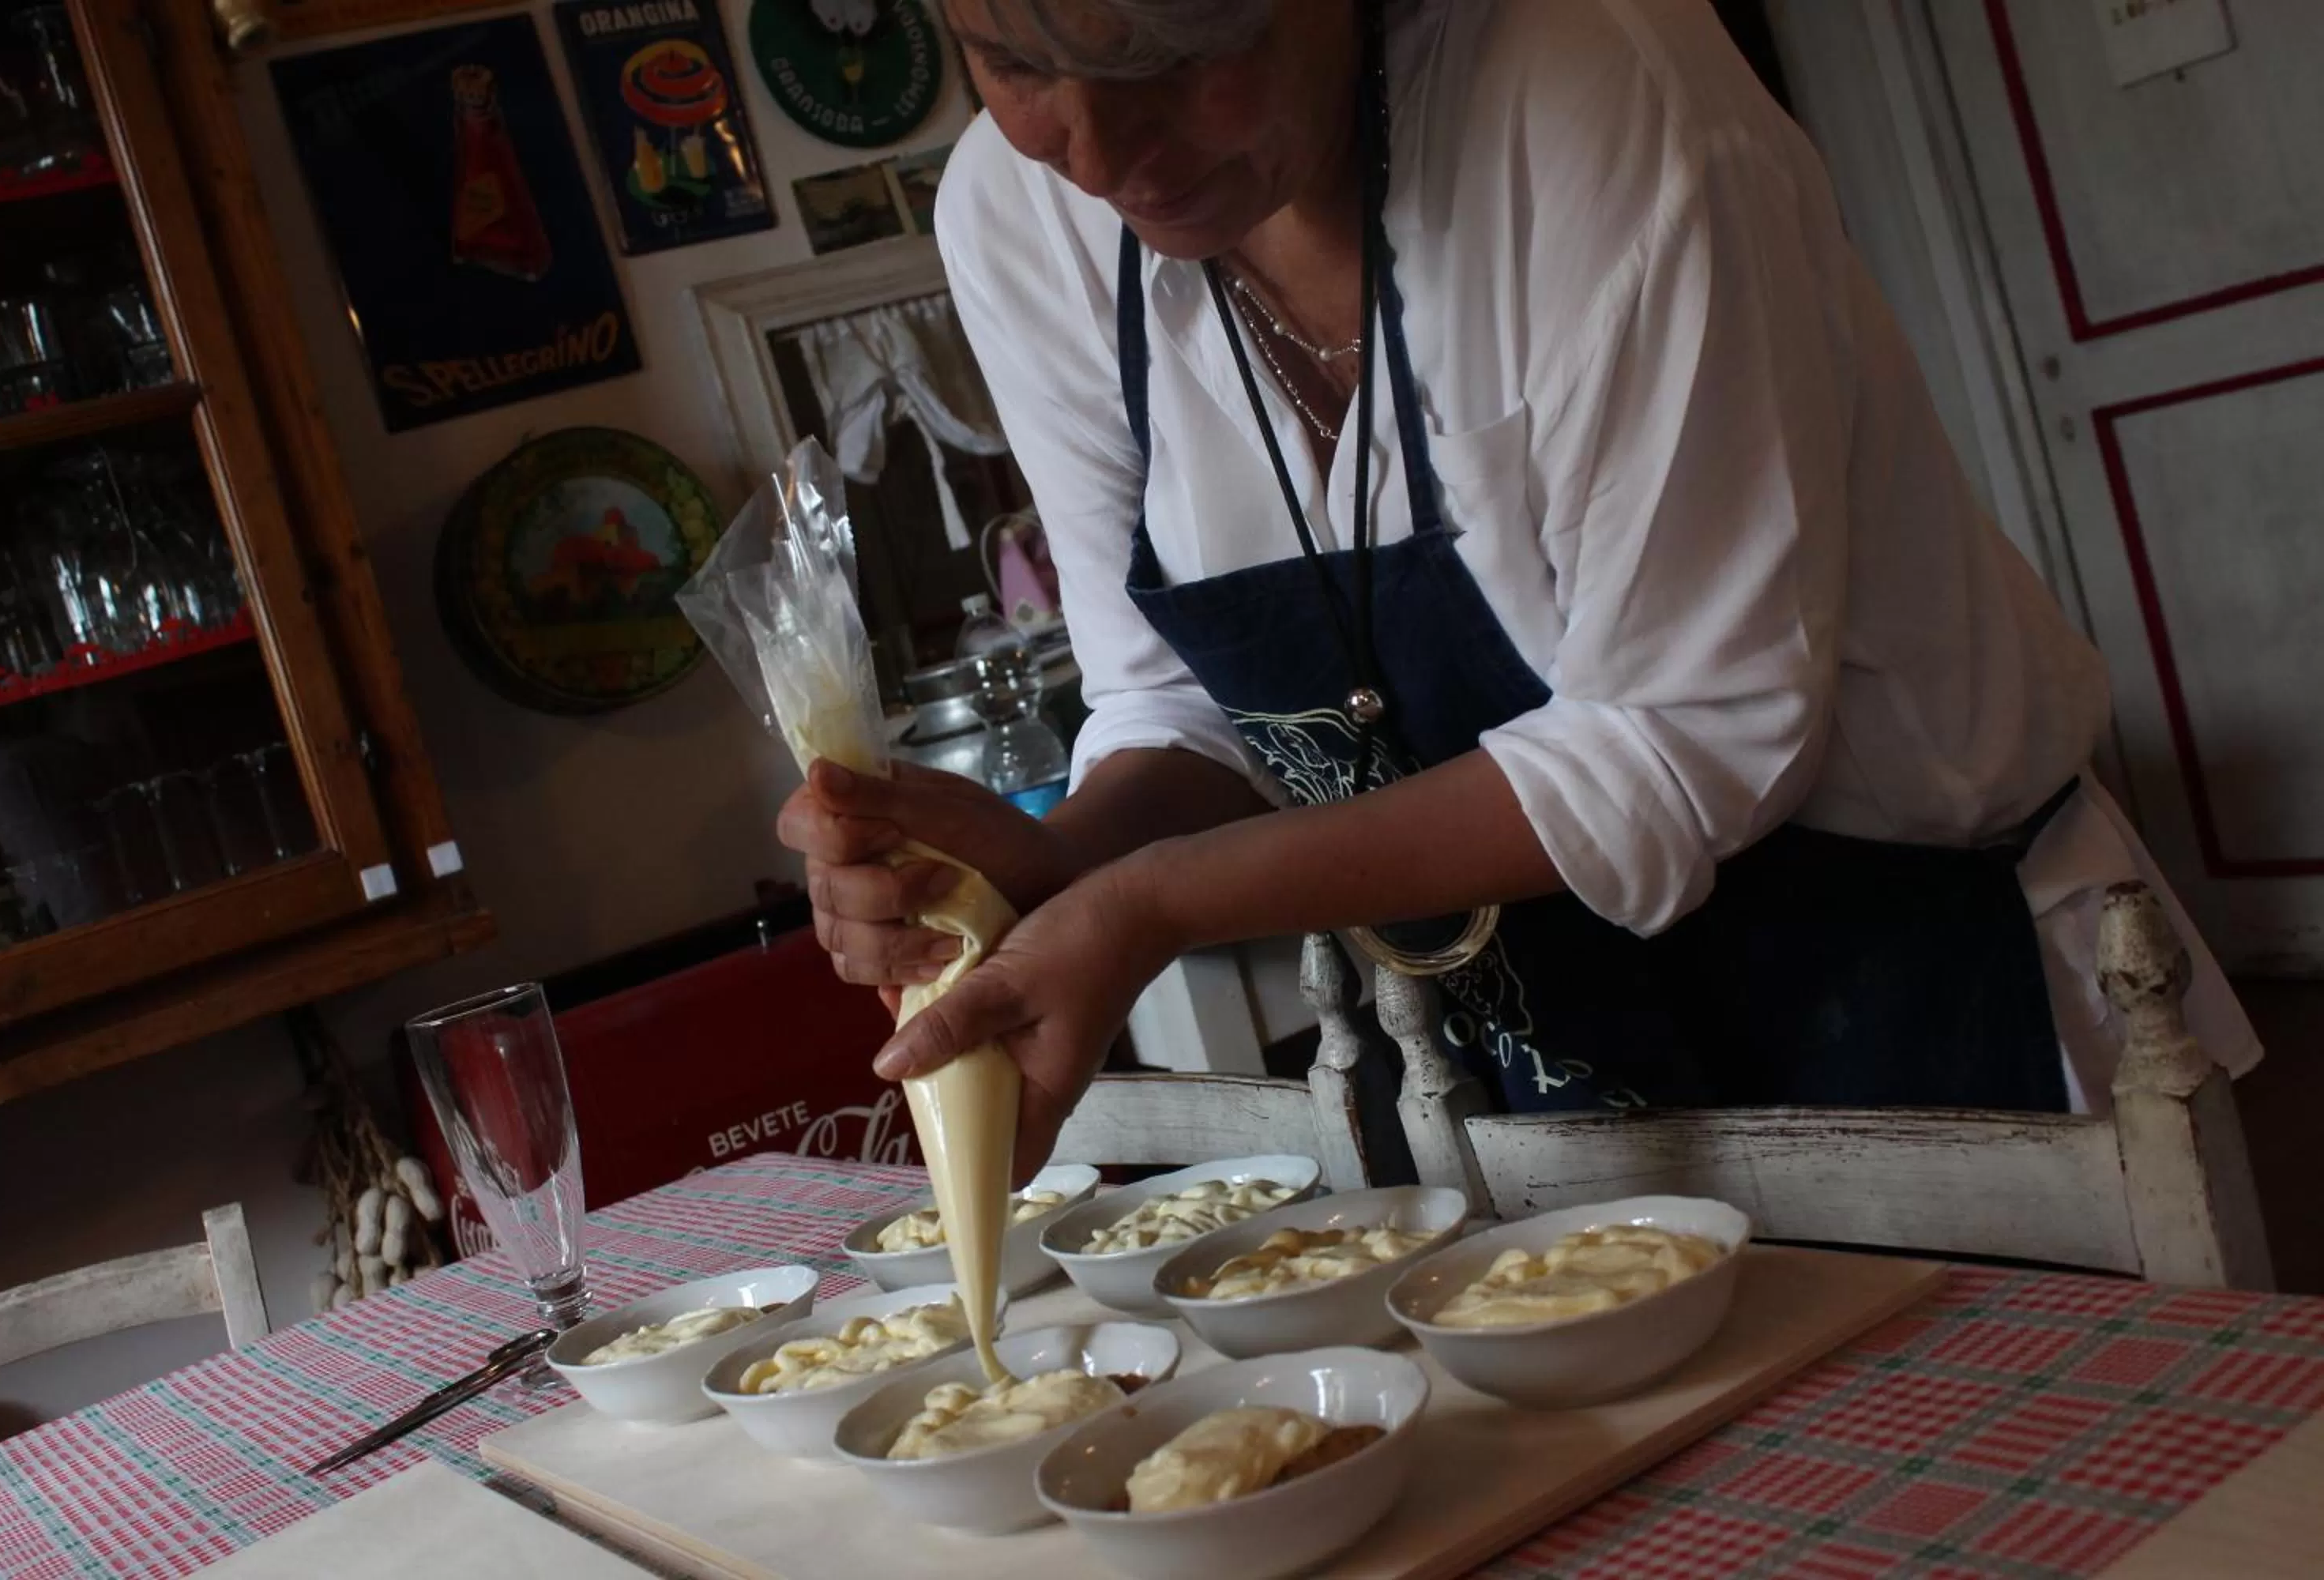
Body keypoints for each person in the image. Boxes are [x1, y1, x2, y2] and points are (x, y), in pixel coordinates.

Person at [777, 0, 2260, 1179]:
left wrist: (1149, 904)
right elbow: (1182, 703)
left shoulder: (1599, 90)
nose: (1097, 155)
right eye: (1016, 60)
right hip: (1556, 1078)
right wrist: (1057, 860)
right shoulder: (1015, 216)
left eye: (1176, 52)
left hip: (1917, 992)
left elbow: (1682, 742)